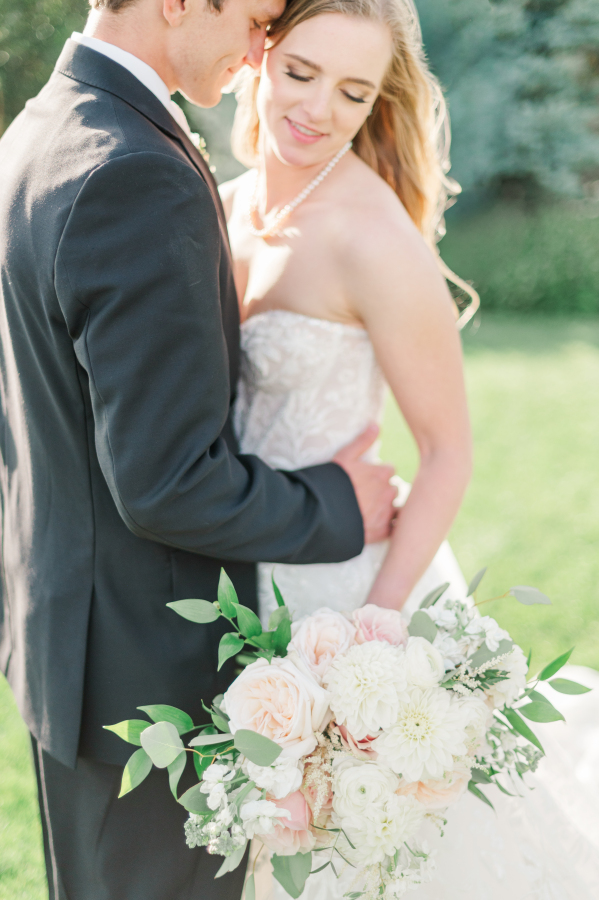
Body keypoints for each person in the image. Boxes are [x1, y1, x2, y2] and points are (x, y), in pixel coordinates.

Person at [0, 0, 400, 897]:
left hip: (68, 650)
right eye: (258, 17)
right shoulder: (133, 169)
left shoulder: (43, 127)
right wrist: (338, 501)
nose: (263, 49)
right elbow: (167, 484)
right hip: (145, 683)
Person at [219, 0, 599, 895]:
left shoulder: (374, 236)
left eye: (352, 93)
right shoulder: (221, 203)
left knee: (390, 856)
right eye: (302, 73)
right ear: (260, 52)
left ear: (376, 103)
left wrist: (373, 639)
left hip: (358, 589)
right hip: (242, 583)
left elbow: (447, 451)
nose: (315, 110)